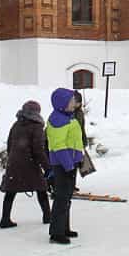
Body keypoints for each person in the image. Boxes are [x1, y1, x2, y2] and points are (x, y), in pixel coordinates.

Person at [0, 100, 50, 229]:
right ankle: (48, 216)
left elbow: (9, 144)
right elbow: (38, 150)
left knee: (10, 191)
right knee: (41, 188)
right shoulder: (37, 127)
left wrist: (13, 158)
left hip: (14, 163)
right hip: (30, 163)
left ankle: (5, 219)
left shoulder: (16, 125)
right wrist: (47, 167)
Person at [46, 88, 84, 245]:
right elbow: (59, 146)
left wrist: (78, 158)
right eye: (71, 101)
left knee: (66, 198)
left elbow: (74, 141)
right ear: (63, 103)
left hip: (70, 163)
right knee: (61, 199)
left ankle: (64, 228)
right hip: (63, 165)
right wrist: (68, 166)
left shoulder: (68, 116)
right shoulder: (58, 120)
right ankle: (56, 233)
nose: (74, 103)